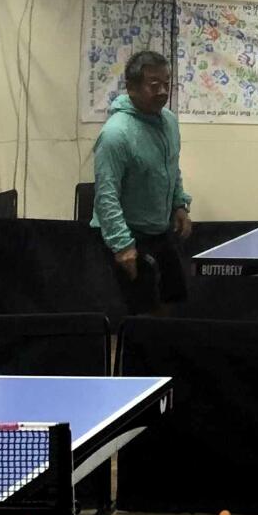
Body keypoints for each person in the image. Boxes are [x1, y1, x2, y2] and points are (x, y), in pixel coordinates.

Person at [91, 50, 192, 316]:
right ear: (132, 88)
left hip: (160, 231)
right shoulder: (116, 134)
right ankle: (139, 358)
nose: (162, 91)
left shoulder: (168, 121)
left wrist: (179, 205)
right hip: (128, 235)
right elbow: (105, 195)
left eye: (166, 83)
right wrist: (123, 246)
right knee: (144, 315)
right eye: (154, 84)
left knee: (172, 303)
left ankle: (167, 357)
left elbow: (171, 166)